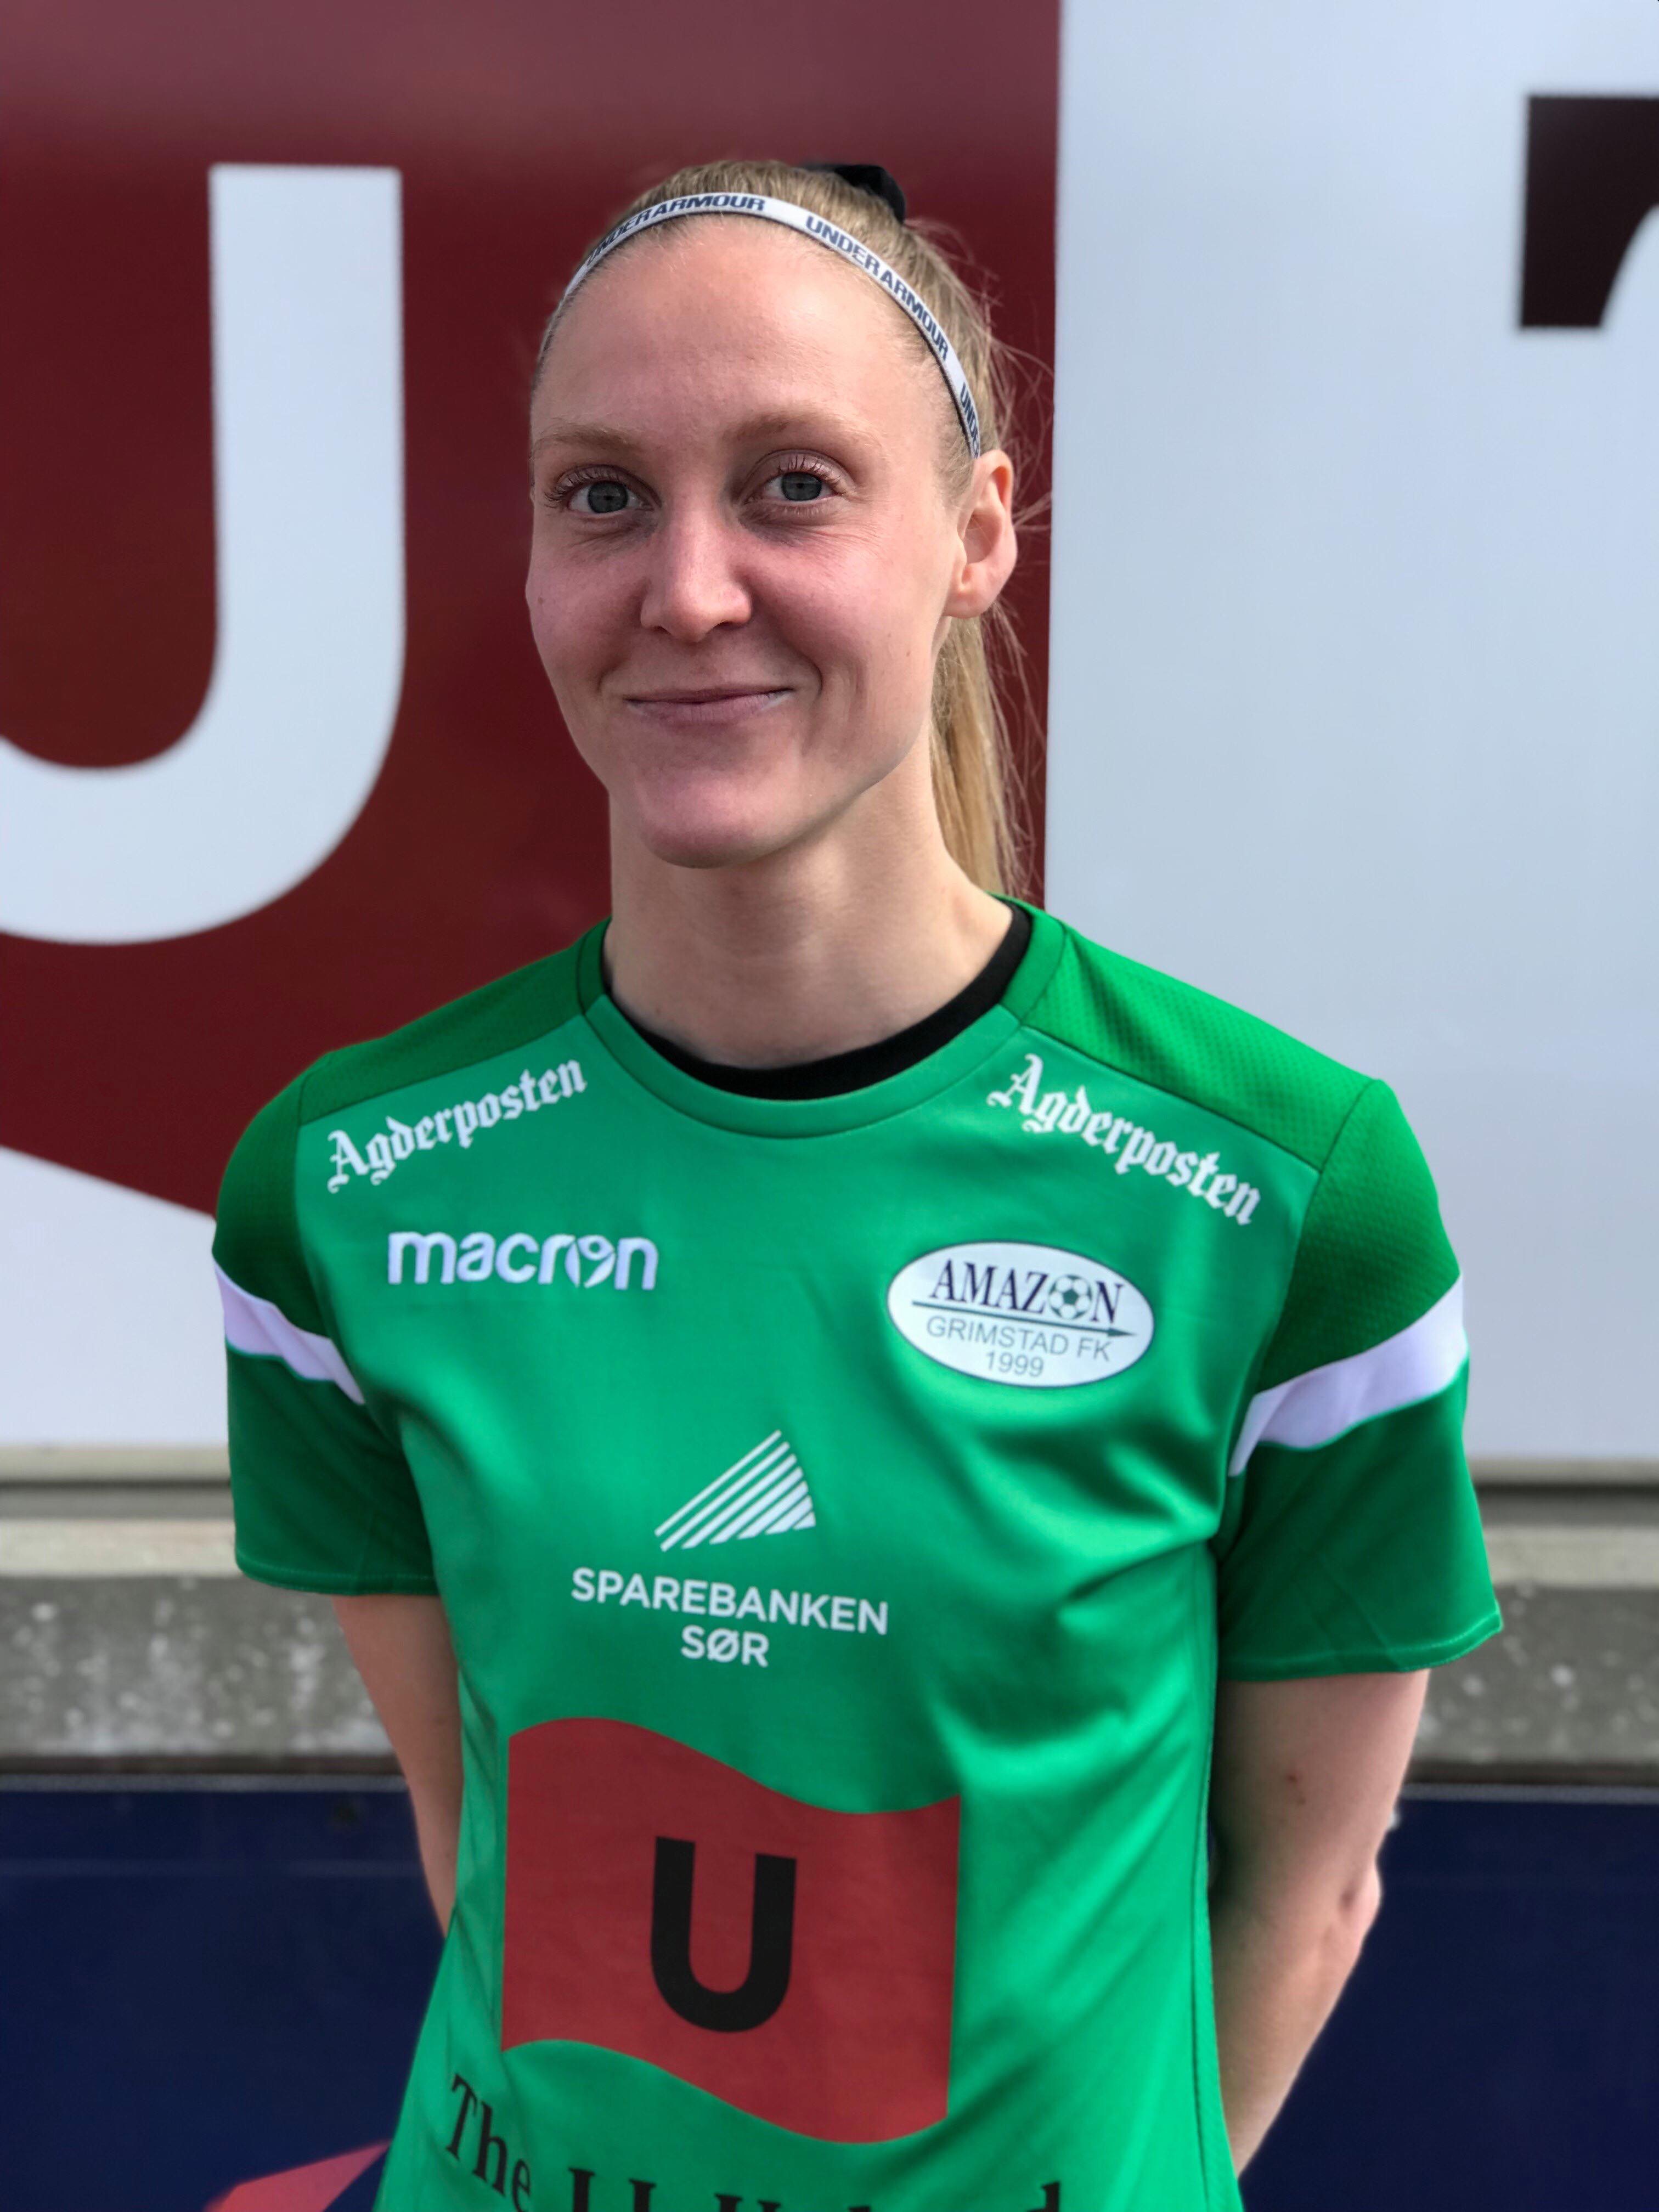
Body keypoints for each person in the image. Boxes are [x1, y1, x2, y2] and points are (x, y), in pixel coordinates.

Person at [213, 159, 1500, 2212]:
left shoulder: (1282, 1197)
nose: (687, 589)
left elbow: (1303, 1895)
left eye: (793, 487)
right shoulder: (343, 1189)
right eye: (602, 496)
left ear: (978, 534)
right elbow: (489, 1852)